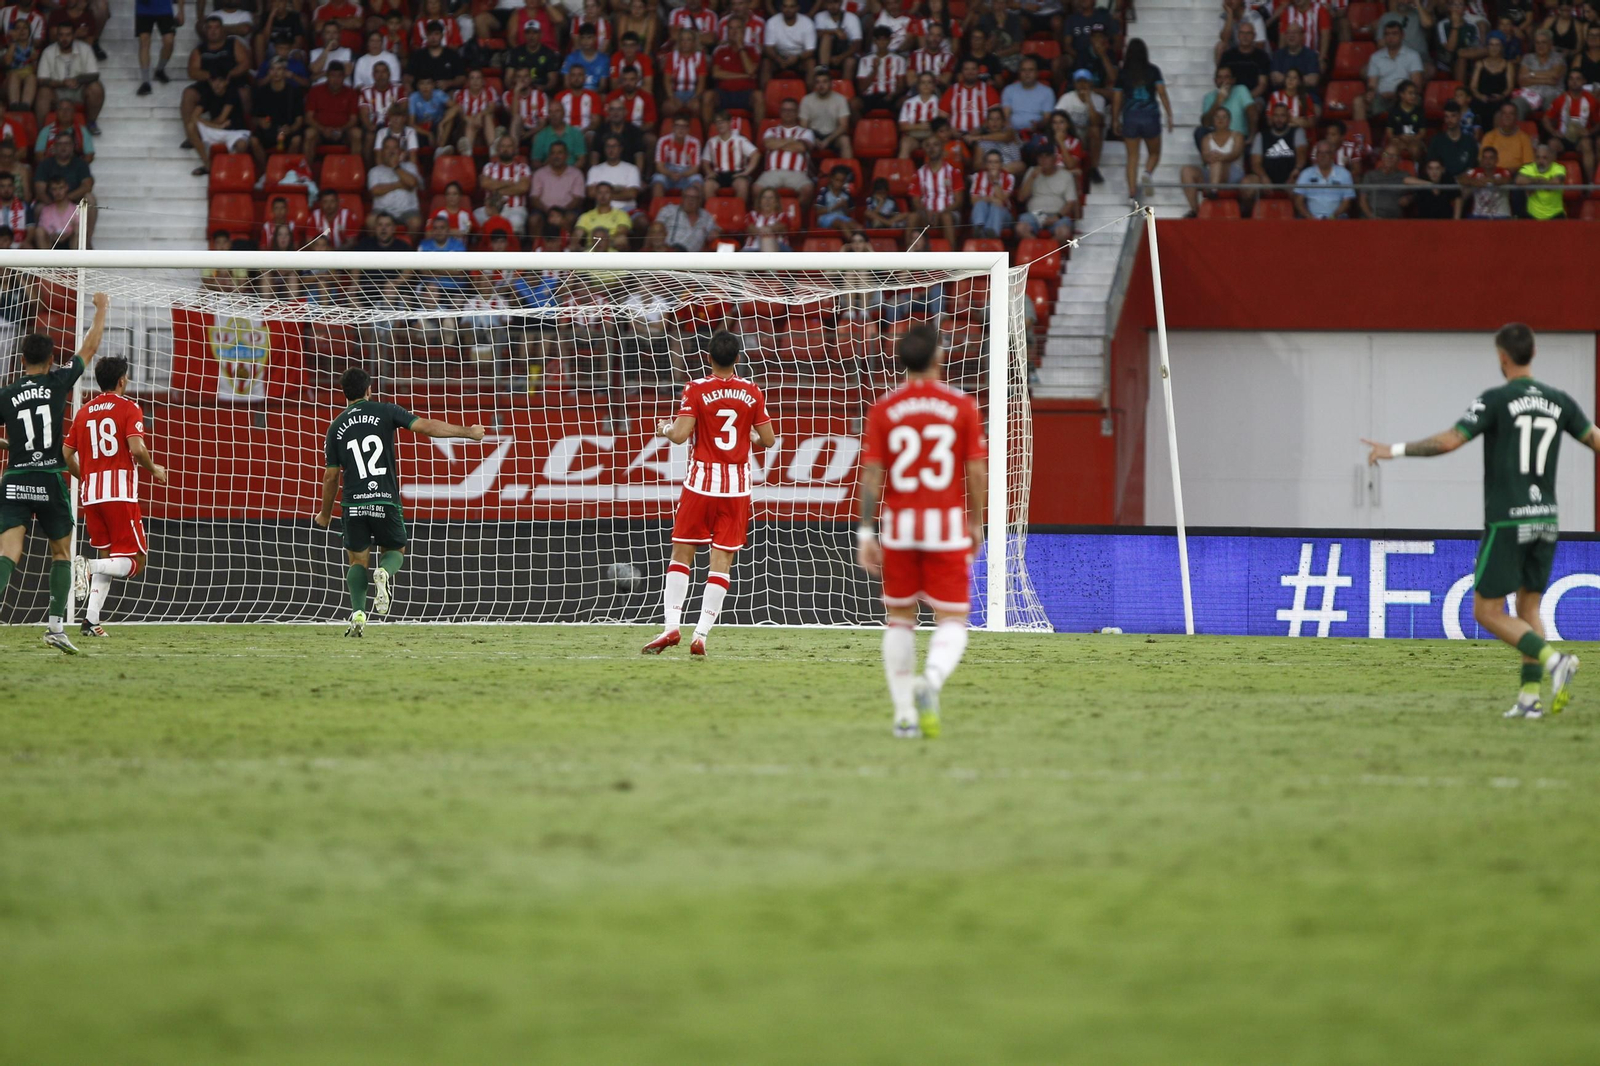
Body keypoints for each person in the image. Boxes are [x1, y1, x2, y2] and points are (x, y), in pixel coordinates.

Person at [1362, 324, 1590, 719]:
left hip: (1508, 520)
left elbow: (1450, 441)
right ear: (1532, 353)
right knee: (1528, 606)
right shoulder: (1561, 402)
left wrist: (1394, 450)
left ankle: (1554, 661)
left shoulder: (1497, 400)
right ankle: (1529, 699)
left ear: (1503, 356)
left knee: (1485, 612)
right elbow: (1595, 439)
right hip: (1546, 520)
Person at [856, 323, 986, 739]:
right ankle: (930, 679)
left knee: (899, 619)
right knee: (952, 619)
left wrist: (865, 532)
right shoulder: (962, 405)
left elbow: (872, 474)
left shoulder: (884, 408)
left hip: (899, 526)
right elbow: (975, 469)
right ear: (937, 357)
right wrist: (976, 521)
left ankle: (904, 716)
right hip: (945, 526)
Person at [315, 367, 485, 637]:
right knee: (395, 549)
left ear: (344, 393)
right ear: (369, 389)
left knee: (357, 562)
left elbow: (331, 476)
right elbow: (427, 426)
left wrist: (324, 514)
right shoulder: (385, 410)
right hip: (385, 500)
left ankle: (358, 612)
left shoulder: (336, 427)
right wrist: (468, 432)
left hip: (354, 504)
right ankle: (384, 572)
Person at [643, 330, 776, 657]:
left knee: (682, 554)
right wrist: (749, 438)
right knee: (721, 562)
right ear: (739, 358)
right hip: (736, 487)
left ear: (707, 356)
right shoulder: (751, 391)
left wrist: (663, 428)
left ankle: (672, 626)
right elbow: (769, 440)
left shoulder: (696, 389)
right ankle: (700, 634)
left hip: (701, 483)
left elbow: (679, 435)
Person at [0, 290, 108, 654]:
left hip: (15, 479)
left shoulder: (7, 393)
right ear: (50, 361)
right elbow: (89, 349)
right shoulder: (58, 382)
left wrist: (10, 447)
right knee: (61, 553)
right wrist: (102, 308)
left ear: (21, 360)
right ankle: (56, 626)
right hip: (48, 478)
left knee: (8, 553)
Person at [60, 355, 166, 638]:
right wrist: (154, 469)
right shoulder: (129, 408)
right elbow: (137, 448)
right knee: (136, 561)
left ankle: (90, 622)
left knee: (109, 556)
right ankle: (87, 566)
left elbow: (66, 454)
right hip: (119, 494)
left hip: (91, 496)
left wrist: (84, 476)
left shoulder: (83, 412)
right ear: (122, 380)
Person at [1110, 38, 1172, 203]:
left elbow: (1116, 98)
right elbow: (1162, 92)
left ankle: (1131, 194)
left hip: (1130, 117)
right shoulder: (1153, 70)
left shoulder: (1123, 73)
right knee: (1154, 153)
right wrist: (1170, 114)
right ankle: (1147, 172)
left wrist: (1115, 119)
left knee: (1132, 157)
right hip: (1150, 116)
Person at [35, 18, 101, 130]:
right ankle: (42, 131)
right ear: (57, 36)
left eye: (68, 35)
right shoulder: (48, 51)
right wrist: (61, 83)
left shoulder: (85, 48)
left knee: (96, 87)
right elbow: (41, 80)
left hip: (79, 91)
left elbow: (95, 74)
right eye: (61, 35)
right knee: (43, 92)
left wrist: (77, 80)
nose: (64, 38)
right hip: (57, 93)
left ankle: (91, 123)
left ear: (74, 35)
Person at [1180, 106, 1245, 215]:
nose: (1220, 120)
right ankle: (1195, 210)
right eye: (1217, 117)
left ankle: (1213, 192)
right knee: (1186, 170)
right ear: (1213, 120)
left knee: (1217, 162)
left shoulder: (1237, 136)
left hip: (1232, 173)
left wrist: (1220, 157)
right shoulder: (1207, 138)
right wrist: (1213, 157)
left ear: (1229, 121)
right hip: (1211, 173)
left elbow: (1235, 154)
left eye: (1224, 117)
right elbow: (1205, 158)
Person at [184, 68, 249, 175]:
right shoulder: (207, 92)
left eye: (220, 81)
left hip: (234, 130)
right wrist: (216, 126)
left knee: (241, 145)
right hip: (217, 129)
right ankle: (207, 164)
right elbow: (194, 116)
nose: (216, 84)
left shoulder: (232, 92)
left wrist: (211, 123)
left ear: (226, 81)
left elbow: (221, 119)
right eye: (213, 81)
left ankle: (230, 170)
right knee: (191, 126)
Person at [1355, 22, 1424, 122]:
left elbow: (1416, 85)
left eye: (1394, 33)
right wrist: (1370, 93)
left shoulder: (1413, 55)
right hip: (1381, 97)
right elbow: (1372, 85)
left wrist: (1397, 94)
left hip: (1403, 96)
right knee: (1358, 102)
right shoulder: (1376, 57)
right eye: (1387, 34)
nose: (1390, 37)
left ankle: (1405, 135)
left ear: (1402, 35)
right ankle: (1360, 136)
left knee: (1413, 98)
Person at [755, 98, 816, 198]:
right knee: (757, 189)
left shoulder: (806, 132)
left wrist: (778, 143)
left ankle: (797, 212)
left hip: (797, 173)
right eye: (784, 110)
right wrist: (790, 141)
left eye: (791, 110)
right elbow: (769, 144)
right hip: (772, 172)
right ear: (780, 112)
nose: (787, 113)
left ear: (797, 113)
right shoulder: (771, 130)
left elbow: (801, 147)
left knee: (807, 189)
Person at [1544, 67, 1597, 180]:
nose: (1574, 82)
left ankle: (1591, 183)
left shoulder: (1591, 100)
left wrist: (1589, 132)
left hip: (1581, 139)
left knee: (1587, 144)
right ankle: (1549, 181)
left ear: (1583, 81)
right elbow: (1546, 119)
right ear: (1567, 82)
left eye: (1578, 79)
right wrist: (1553, 132)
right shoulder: (1561, 99)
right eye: (1571, 79)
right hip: (1563, 138)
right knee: (1552, 144)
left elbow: (1599, 123)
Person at [1014, 148, 1076, 240]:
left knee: (1064, 232)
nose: (1043, 160)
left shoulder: (1065, 175)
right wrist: (1032, 178)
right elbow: (1021, 198)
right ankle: (1038, 249)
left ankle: (1049, 251)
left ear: (1054, 159)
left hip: (1057, 214)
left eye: (1047, 157)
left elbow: (1070, 202)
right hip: (1035, 214)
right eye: (1040, 157)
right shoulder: (1032, 171)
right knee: (1020, 229)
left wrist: (1057, 217)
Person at [912, 140, 962, 247]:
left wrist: (941, 212)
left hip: (948, 211)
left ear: (942, 149)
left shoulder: (953, 172)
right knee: (912, 217)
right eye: (928, 145)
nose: (931, 148)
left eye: (935, 144)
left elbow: (959, 201)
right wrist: (926, 211)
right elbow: (915, 200)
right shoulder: (919, 173)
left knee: (946, 217)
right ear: (924, 150)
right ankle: (907, 256)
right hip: (926, 213)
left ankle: (952, 258)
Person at [702, 110, 758, 203]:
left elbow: (755, 154)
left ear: (729, 123)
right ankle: (712, 214)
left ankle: (739, 213)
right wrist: (709, 172)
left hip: (737, 173)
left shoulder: (740, 140)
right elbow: (705, 161)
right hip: (718, 174)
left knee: (742, 185)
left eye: (722, 122)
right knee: (708, 186)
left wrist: (746, 172)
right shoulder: (711, 142)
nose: (720, 125)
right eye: (717, 123)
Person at [367, 137, 422, 232]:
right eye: (388, 148)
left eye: (395, 148)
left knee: (416, 223)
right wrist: (399, 185)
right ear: (382, 151)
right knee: (370, 221)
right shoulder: (375, 171)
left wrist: (396, 167)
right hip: (382, 211)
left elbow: (412, 183)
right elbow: (376, 190)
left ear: (399, 151)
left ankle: (406, 246)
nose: (391, 151)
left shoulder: (410, 166)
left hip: (407, 210)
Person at [1292, 140, 1355, 218]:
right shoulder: (1306, 173)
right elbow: (1298, 201)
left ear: (1332, 155)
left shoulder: (1344, 174)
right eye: (1320, 153)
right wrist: (1310, 217)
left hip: (1337, 219)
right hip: (1310, 219)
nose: (1323, 156)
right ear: (1316, 155)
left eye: (1326, 153)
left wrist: (1333, 216)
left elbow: (1347, 201)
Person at [800, 66, 853, 158]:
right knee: (802, 141)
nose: (821, 85)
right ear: (814, 84)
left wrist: (827, 140)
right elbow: (803, 126)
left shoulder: (840, 99)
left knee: (845, 140)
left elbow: (844, 126)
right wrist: (815, 139)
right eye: (818, 82)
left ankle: (847, 170)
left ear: (831, 84)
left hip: (833, 134)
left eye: (825, 82)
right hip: (813, 134)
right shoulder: (806, 100)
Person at [135, 0, 183, 95]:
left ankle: (160, 70)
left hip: (164, 8)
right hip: (143, 8)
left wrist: (181, 11)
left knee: (169, 41)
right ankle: (146, 82)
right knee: (144, 41)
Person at [1469, 32, 1514, 130]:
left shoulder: (1508, 65)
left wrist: (1501, 96)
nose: (1494, 48)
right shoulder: (1480, 64)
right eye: (1491, 45)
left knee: (1501, 109)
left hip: (1500, 99)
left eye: (1497, 45)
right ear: (1487, 46)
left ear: (1502, 47)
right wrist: (1480, 96)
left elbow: (1510, 87)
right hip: (1481, 99)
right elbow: (1473, 87)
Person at [657, 183, 720, 250]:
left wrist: (716, 231)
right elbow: (654, 231)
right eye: (687, 197)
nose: (690, 201)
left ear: (700, 201)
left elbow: (717, 230)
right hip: (669, 252)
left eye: (694, 198)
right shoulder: (668, 210)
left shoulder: (706, 216)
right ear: (682, 198)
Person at [1218, 20, 1270, 101]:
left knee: (1256, 107)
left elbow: (1262, 85)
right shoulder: (1228, 55)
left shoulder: (1262, 56)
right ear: (1238, 35)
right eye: (1242, 33)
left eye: (1248, 33)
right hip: (1231, 96)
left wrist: (1245, 98)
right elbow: (1219, 80)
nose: (1245, 36)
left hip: (1254, 97)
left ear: (1254, 36)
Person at [1515, 141, 1568, 219]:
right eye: (1538, 157)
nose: (1540, 161)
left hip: (1555, 215)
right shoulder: (1528, 168)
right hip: (1532, 215)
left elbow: (1556, 182)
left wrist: (1534, 183)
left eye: (1544, 158)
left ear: (1551, 158)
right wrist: (1539, 181)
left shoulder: (1558, 168)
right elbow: (1518, 180)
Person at [968, 148, 1015, 235]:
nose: (993, 165)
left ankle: (991, 234)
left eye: (996, 162)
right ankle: (980, 230)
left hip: (1003, 214)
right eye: (990, 162)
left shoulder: (1008, 177)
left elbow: (1002, 200)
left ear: (1001, 164)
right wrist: (991, 199)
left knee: (996, 206)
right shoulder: (978, 176)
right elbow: (973, 201)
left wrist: (995, 181)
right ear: (986, 164)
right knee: (980, 204)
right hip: (982, 213)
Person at [1460, 143, 1513, 217]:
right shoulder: (1475, 171)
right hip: (1479, 216)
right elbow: (1461, 178)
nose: (1487, 161)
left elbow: (1507, 180)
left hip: (1501, 216)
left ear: (1496, 160)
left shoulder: (1503, 171)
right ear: (1481, 160)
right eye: (1485, 158)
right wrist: (1473, 181)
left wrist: (1491, 180)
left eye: (1491, 158)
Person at [1481, 100, 1535, 172]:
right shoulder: (1489, 137)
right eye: (1504, 113)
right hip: (1493, 176)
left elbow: (1528, 165)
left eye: (1511, 113)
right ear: (1500, 116)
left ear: (1516, 117)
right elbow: (1483, 162)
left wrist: (1507, 172)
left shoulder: (1524, 138)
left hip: (1516, 177)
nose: (1507, 116)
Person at [1427, 100, 1477, 179]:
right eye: (1447, 116)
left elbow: (1472, 168)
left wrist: (1461, 179)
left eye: (1453, 116)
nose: (1449, 120)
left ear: (1460, 116)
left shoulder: (1470, 141)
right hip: (1443, 185)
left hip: (1465, 184)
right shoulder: (1436, 141)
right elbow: (1432, 166)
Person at [1359, 145, 1412, 218]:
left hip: (1394, 220)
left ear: (1399, 160)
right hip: (1371, 218)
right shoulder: (1370, 175)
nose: (1389, 158)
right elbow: (1362, 200)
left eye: (1393, 156)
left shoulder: (1404, 175)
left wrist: (1409, 198)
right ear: (1382, 157)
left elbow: (1415, 192)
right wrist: (1371, 217)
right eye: (1386, 154)